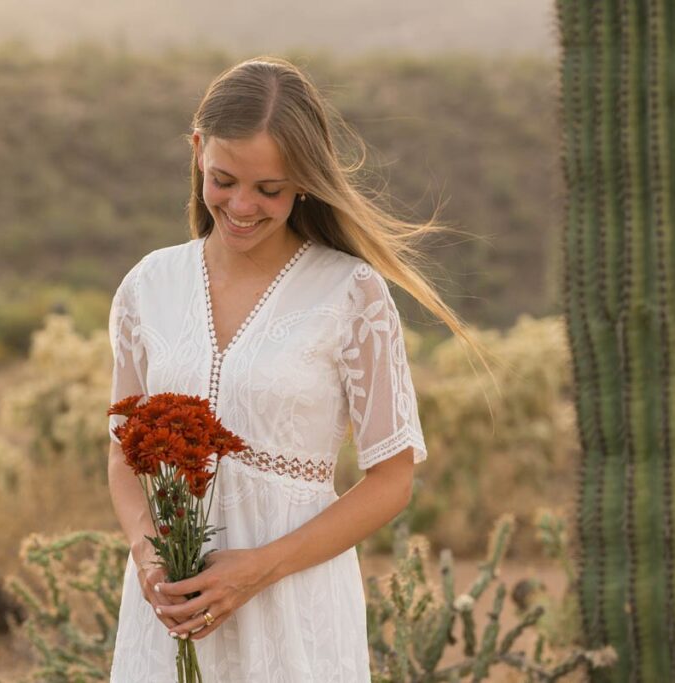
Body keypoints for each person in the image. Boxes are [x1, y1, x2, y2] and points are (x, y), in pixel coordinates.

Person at [107, 56, 478, 682]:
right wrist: (150, 563)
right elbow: (124, 455)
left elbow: (391, 481)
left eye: (269, 189)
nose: (242, 205)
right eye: (225, 180)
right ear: (197, 150)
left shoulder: (351, 293)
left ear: (304, 182)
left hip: (295, 607)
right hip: (171, 610)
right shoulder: (148, 286)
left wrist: (259, 568)